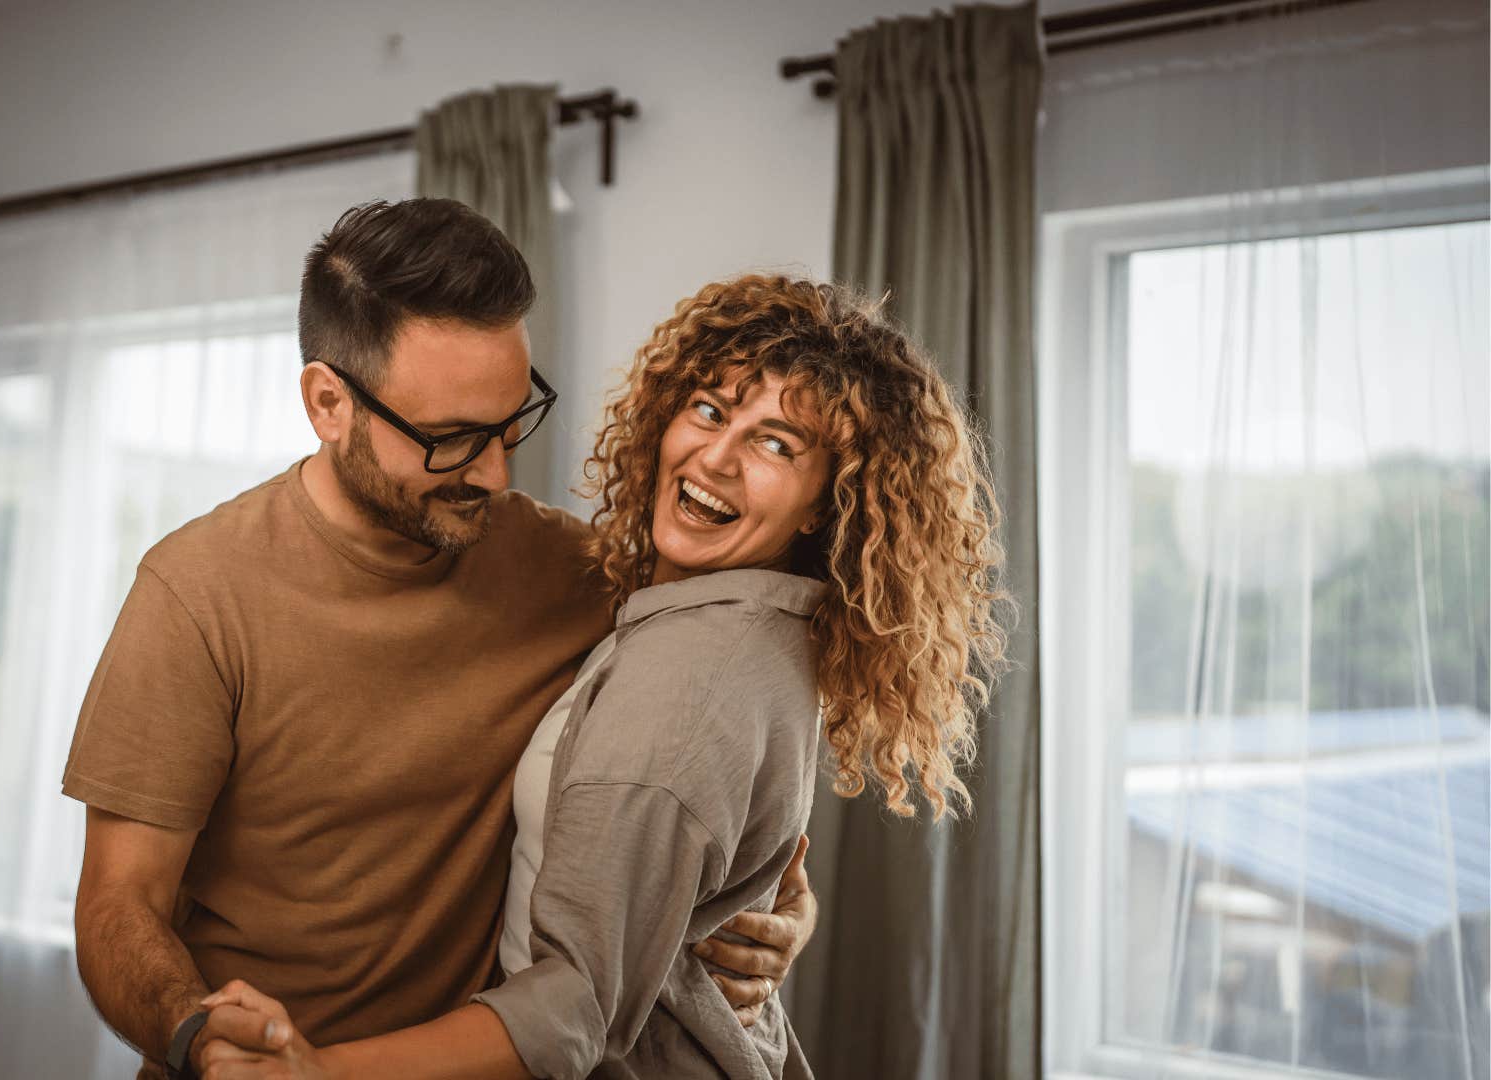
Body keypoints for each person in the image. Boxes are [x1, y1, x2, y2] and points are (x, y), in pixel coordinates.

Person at [62, 201, 818, 1080]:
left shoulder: (578, 574)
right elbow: (120, 906)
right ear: (328, 403)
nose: (496, 474)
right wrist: (193, 1032)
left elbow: (697, 768)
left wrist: (776, 909)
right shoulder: (193, 596)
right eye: (451, 440)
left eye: (509, 423)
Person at [188, 275, 1010, 1079]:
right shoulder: (704, 616)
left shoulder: (694, 676)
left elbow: (574, 1005)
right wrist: (773, 907)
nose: (716, 457)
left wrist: (320, 1072)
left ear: (829, 505)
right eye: (711, 410)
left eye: (774, 444)